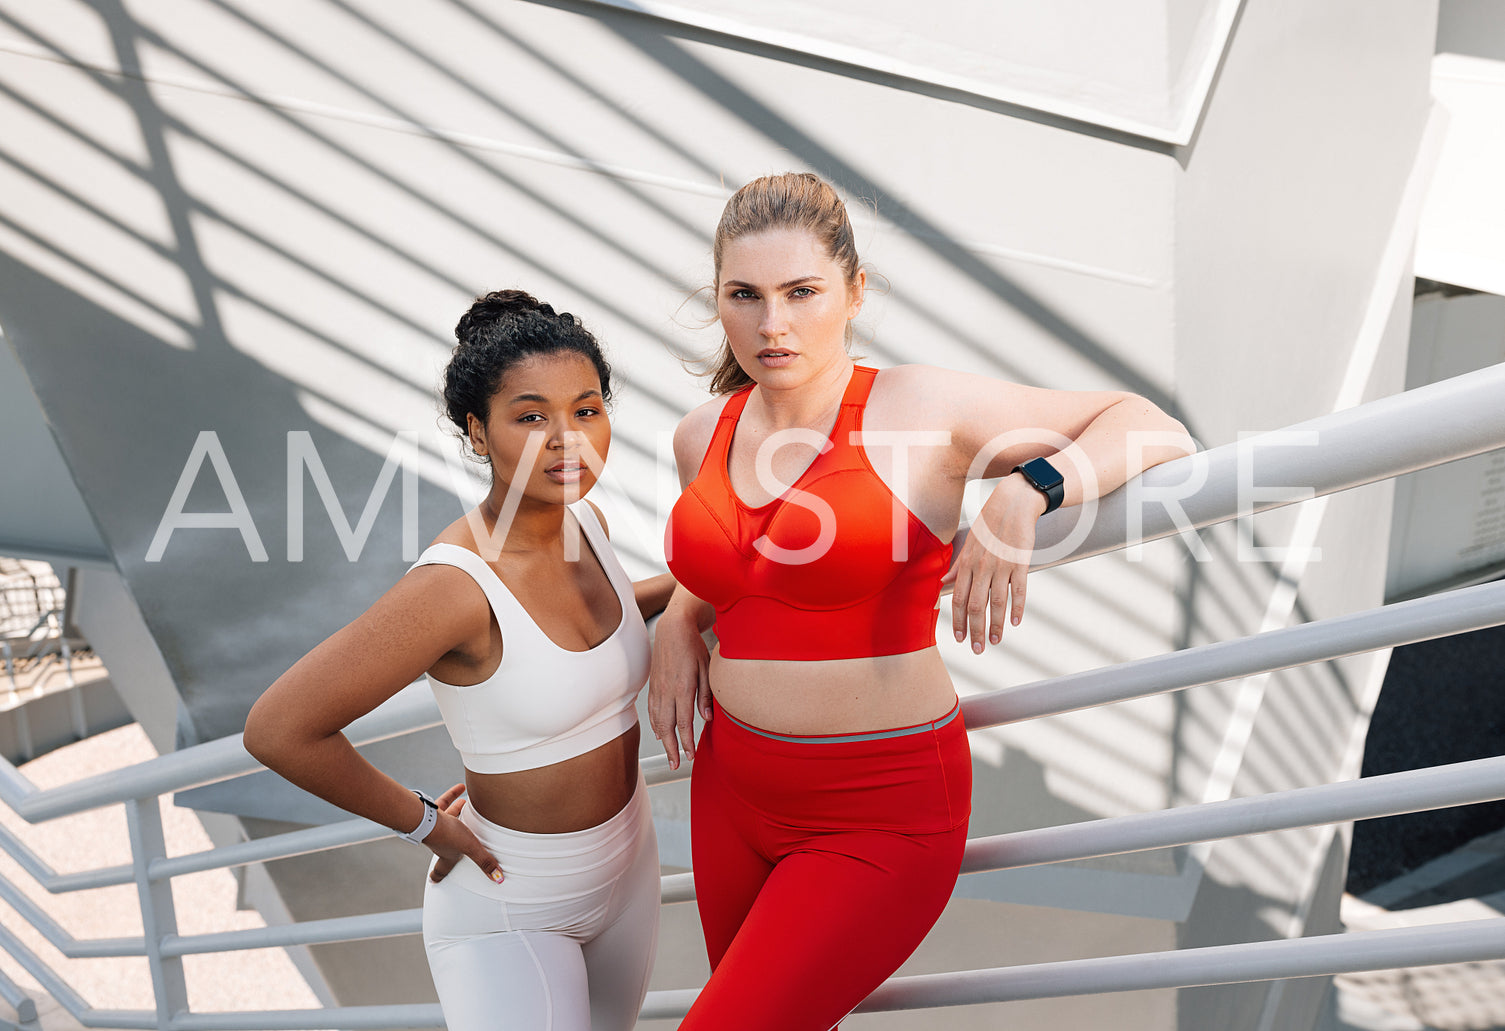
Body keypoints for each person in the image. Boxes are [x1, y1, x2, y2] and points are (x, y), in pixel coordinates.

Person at [649, 172, 1196, 1030]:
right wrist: (681, 616)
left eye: (802, 292)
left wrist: (1026, 493)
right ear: (715, 301)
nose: (772, 323)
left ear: (854, 292)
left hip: (877, 812)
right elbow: (735, 566)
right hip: (732, 789)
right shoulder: (701, 432)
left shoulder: (918, 409)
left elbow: (1152, 424)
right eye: (743, 296)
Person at [245, 290, 675, 1031]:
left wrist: (696, 583)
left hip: (629, 862)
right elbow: (279, 728)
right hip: (510, 900)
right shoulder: (451, 586)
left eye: (587, 408)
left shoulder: (588, 524)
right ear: (478, 432)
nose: (567, 438)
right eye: (531, 415)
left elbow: (584, 634)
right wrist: (423, 824)